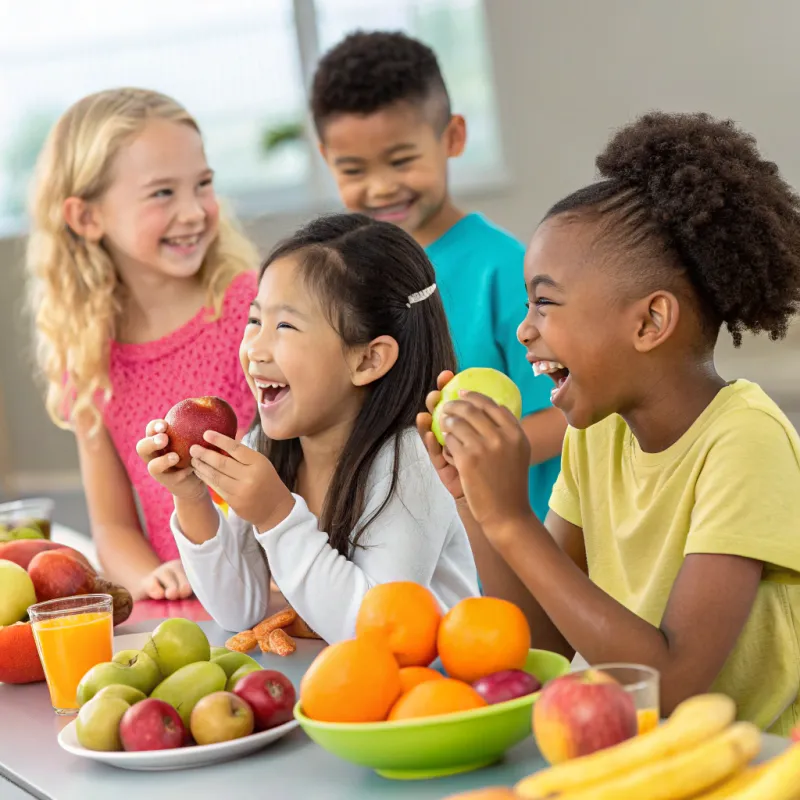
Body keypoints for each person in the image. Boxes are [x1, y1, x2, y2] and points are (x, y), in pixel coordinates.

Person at [418, 111, 800, 735]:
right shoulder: (596, 434)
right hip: (639, 752)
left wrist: (513, 520)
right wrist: (478, 503)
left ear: (649, 322)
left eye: (545, 302)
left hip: (753, 763)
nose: (524, 330)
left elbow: (670, 685)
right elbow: (537, 639)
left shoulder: (744, 440)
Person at [137, 213, 479, 643]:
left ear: (367, 360)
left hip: (437, 693)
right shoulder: (265, 446)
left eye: (285, 326)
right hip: (342, 694)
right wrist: (191, 500)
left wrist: (276, 515)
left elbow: (374, 632)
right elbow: (237, 609)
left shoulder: (410, 462)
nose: (254, 349)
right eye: (255, 320)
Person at [310, 31, 565, 525]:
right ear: (326, 159)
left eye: (402, 160)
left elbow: (566, 415)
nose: (382, 186)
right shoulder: (342, 275)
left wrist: (472, 458)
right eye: (354, 169)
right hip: (397, 547)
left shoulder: (508, 270)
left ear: (452, 137)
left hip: (505, 548)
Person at [26, 88, 258, 602]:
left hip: (279, 586)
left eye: (203, 185)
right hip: (190, 606)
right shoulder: (86, 355)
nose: (194, 211)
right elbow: (112, 527)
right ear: (87, 218)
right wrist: (151, 577)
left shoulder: (251, 309)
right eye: (162, 193)